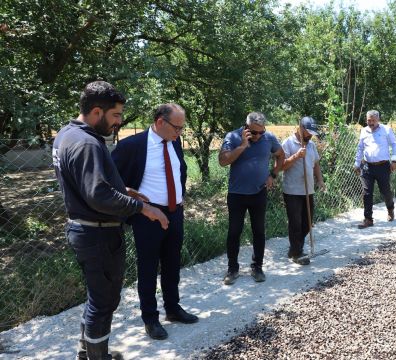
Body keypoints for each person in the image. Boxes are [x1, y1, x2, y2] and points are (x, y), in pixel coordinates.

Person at [52, 81, 168, 359]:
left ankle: (88, 352)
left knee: (97, 298)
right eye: (115, 115)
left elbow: (87, 182)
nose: (118, 122)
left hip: (84, 230)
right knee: (104, 303)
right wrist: (142, 209)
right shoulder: (87, 143)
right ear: (96, 111)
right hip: (98, 234)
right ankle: (97, 356)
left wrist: (122, 189)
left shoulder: (66, 135)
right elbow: (98, 195)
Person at [111, 103, 198, 341]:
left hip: (175, 212)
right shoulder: (132, 146)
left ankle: (173, 308)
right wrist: (135, 203)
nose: (180, 133)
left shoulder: (174, 142)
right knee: (148, 268)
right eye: (177, 128)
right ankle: (150, 318)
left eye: (182, 128)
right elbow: (112, 181)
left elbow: (177, 173)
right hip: (146, 215)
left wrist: (179, 199)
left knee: (172, 263)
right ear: (160, 122)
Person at [218, 112, 285, 284]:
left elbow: (281, 155)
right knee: (234, 232)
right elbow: (223, 161)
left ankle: (257, 267)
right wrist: (242, 145)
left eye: (261, 132)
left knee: (259, 231)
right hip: (237, 194)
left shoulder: (268, 138)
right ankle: (232, 269)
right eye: (254, 132)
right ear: (246, 128)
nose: (258, 136)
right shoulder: (232, 137)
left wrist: (273, 175)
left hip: (258, 193)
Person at [281, 117, 325, 265]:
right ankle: (297, 253)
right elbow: (281, 166)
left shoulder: (311, 145)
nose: (310, 135)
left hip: (308, 190)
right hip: (292, 190)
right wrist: (296, 156)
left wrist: (320, 180)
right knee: (295, 223)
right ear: (300, 128)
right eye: (308, 132)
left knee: (307, 222)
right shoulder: (288, 143)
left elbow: (316, 164)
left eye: (312, 133)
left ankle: (294, 247)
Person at [354, 110, 396, 229]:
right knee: (367, 193)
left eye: (373, 120)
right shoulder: (364, 131)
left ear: (378, 120)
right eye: (369, 120)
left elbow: (394, 144)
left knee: (385, 191)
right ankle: (368, 219)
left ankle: (390, 209)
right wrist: (357, 164)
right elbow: (360, 148)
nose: (371, 123)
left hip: (383, 166)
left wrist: (394, 161)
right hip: (367, 166)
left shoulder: (386, 130)